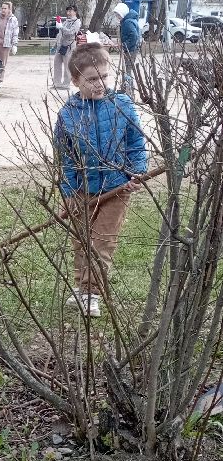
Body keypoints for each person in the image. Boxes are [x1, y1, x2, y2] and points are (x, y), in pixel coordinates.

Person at [54, 43, 147, 319]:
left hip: (117, 187)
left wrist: (136, 172)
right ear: (75, 81)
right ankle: (81, 288)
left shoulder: (122, 105)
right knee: (81, 241)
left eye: (104, 76)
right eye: (92, 79)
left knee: (101, 242)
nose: (100, 84)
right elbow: (65, 158)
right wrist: (69, 193)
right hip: (83, 189)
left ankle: (91, 293)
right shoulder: (68, 115)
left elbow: (136, 143)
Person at [52, 4, 82, 89]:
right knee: (57, 64)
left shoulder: (77, 22)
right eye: (67, 11)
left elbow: (71, 33)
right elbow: (60, 35)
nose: (68, 13)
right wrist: (55, 45)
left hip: (69, 47)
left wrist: (61, 27)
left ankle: (66, 84)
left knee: (67, 66)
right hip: (60, 47)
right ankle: (57, 83)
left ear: (75, 12)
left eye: (70, 11)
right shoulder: (66, 21)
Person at [112, 1, 142, 78]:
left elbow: (134, 36)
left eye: (118, 15)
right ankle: (126, 84)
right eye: (116, 15)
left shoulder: (128, 22)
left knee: (127, 71)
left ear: (123, 13)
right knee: (126, 70)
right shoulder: (128, 20)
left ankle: (127, 85)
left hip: (131, 50)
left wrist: (124, 46)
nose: (117, 17)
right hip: (131, 48)